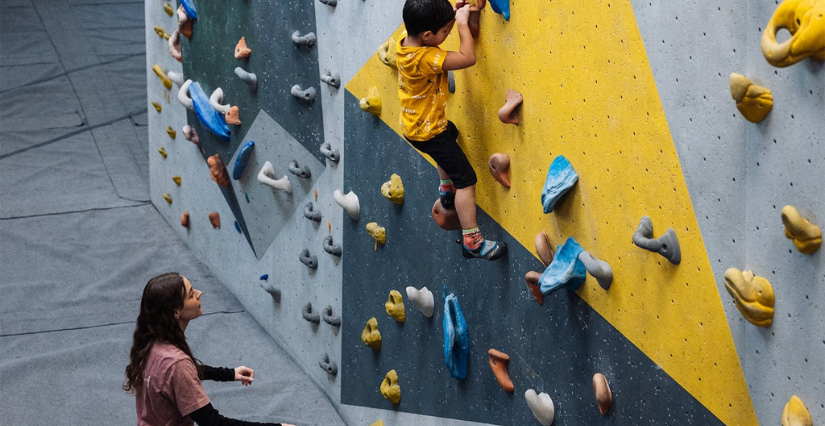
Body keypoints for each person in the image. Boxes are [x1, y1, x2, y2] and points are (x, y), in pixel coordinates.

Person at [397, 0, 507, 261]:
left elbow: (430, 31)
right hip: (429, 132)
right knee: (466, 180)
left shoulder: (406, 41)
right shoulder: (426, 57)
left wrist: (449, 16)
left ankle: (447, 192)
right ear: (427, 36)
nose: (448, 34)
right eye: (445, 31)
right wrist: (461, 25)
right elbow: (468, 58)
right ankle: (472, 241)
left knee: (450, 135)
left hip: (416, 126)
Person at [124, 272, 296, 426]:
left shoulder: (152, 344)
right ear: (176, 312)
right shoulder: (176, 363)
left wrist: (229, 374)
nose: (199, 293)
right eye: (191, 294)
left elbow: (179, 375)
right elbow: (213, 423)